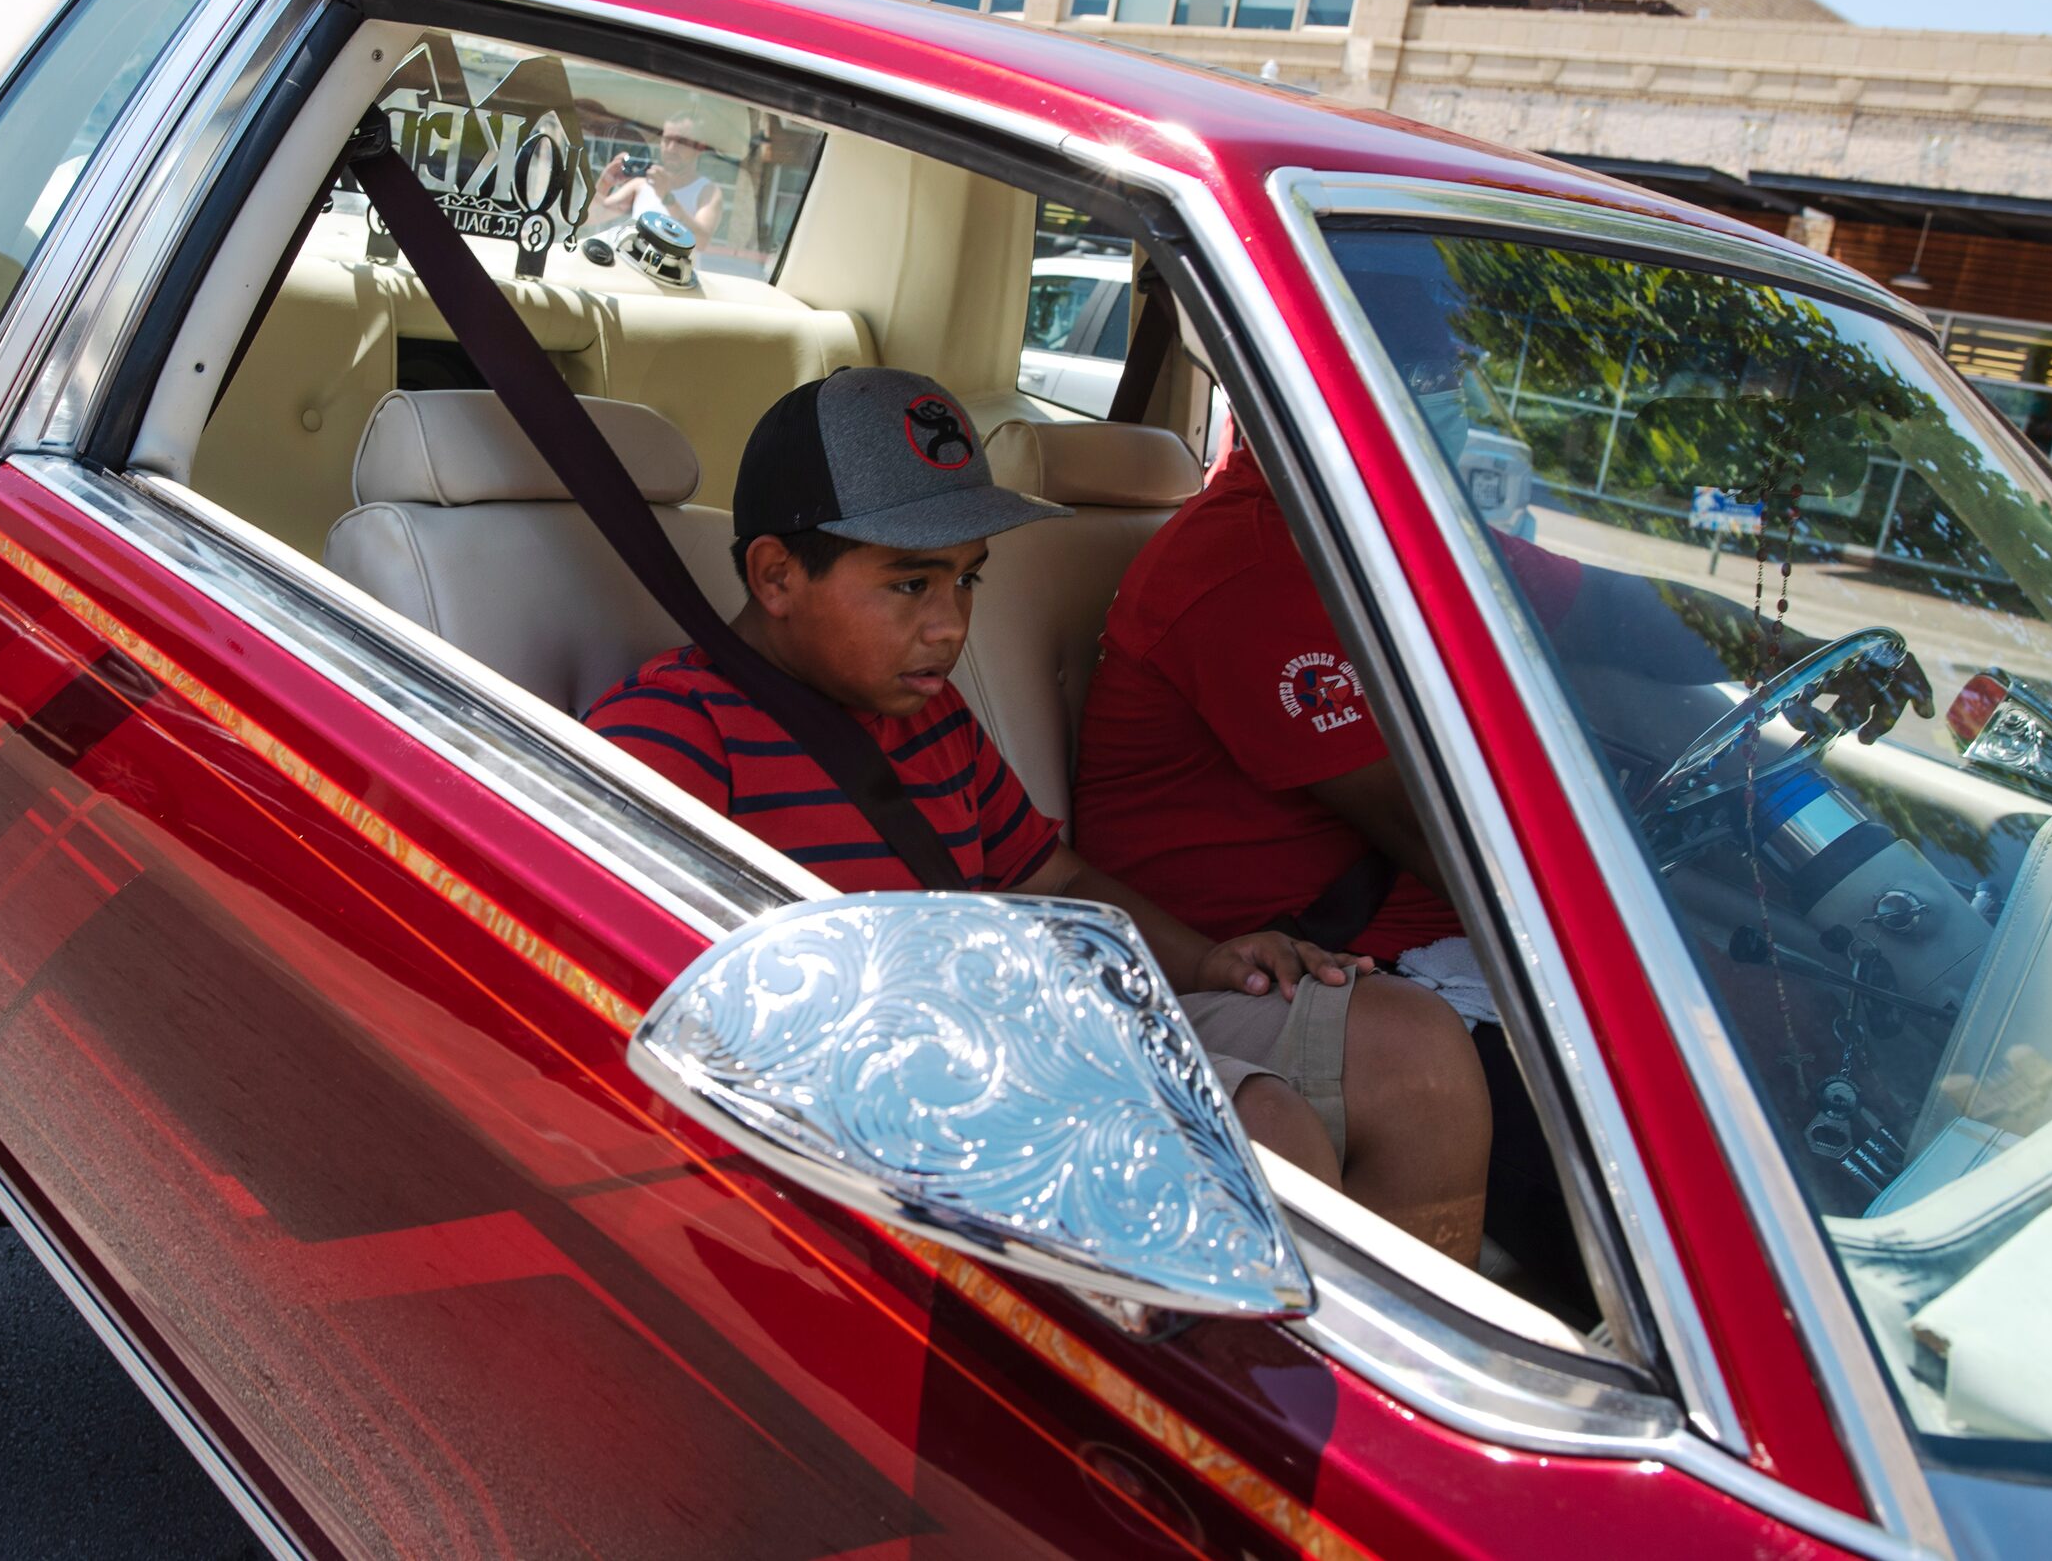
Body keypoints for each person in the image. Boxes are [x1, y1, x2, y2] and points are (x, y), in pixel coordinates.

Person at [1071, 296, 1930, 1302]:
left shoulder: (1389, 528)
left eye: (1448, 373)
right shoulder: (1244, 563)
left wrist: (1785, 648)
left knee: (1789, 1049)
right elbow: (1451, 845)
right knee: (1691, 1215)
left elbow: (1609, 612)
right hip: (1296, 966)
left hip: (1424, 949)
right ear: (1331, 386)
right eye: (1423, 375)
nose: (1447, 395)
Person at [585, 366, 1491, 1261]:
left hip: (1015, 1019)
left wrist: (1206, 958)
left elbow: (1045, 876)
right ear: (776, 576)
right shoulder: (676, 733)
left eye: (967, 582)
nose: (950, 625)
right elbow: (659, 998)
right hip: (873, 1095)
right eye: (911, 585)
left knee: (1411, 1049)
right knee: (1257, 1130)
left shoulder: (926, 713)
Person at [589, 111, 726, 247]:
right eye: (667, 140)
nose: (671, 148)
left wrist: (667, 198)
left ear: (699, 148)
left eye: (681, 142)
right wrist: (605, 182)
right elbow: (591, 217)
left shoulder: (708, 192)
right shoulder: (641, 185)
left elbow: (701, 242)